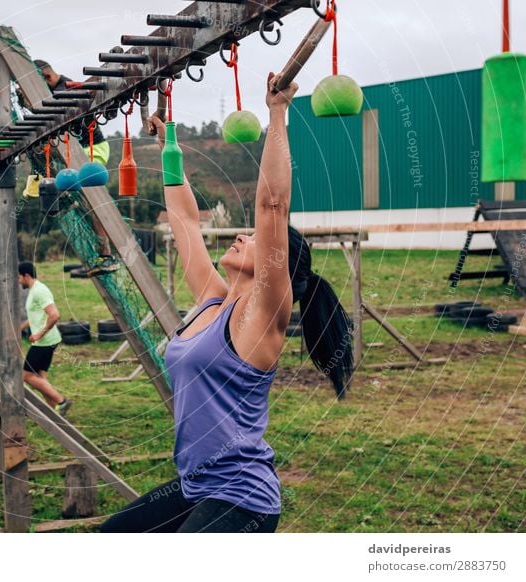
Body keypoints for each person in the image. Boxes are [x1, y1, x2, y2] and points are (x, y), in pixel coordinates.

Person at [101, 73, 353, 533]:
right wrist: (168, 143)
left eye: (254, 239)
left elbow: (272, 206)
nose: (242, 234)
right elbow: (183, 217)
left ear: (277, 264)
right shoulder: (212, 300)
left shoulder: (261, 319)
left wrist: (278, 113)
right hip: (197, 486)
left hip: (242, 498)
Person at [34, 59, 119, 277]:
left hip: (93, 149)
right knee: (76, 193)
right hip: (78, 149)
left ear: (47, 78)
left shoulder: (64, 91)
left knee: (91, 199)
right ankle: (98, 251)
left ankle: (106, 254)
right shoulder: (58, 90)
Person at [17, 261, 72, 417]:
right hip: (46, 340)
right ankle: (54, 411)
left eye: (19, 278)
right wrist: (20, 328)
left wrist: (39, 334)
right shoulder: (34, 290)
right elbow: (37, 315)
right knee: (40, 377)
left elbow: (54, 315)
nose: (18, 281)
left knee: (26, 375)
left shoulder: (39, 291)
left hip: (44, 342)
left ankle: (62, 402)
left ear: (26, 275)